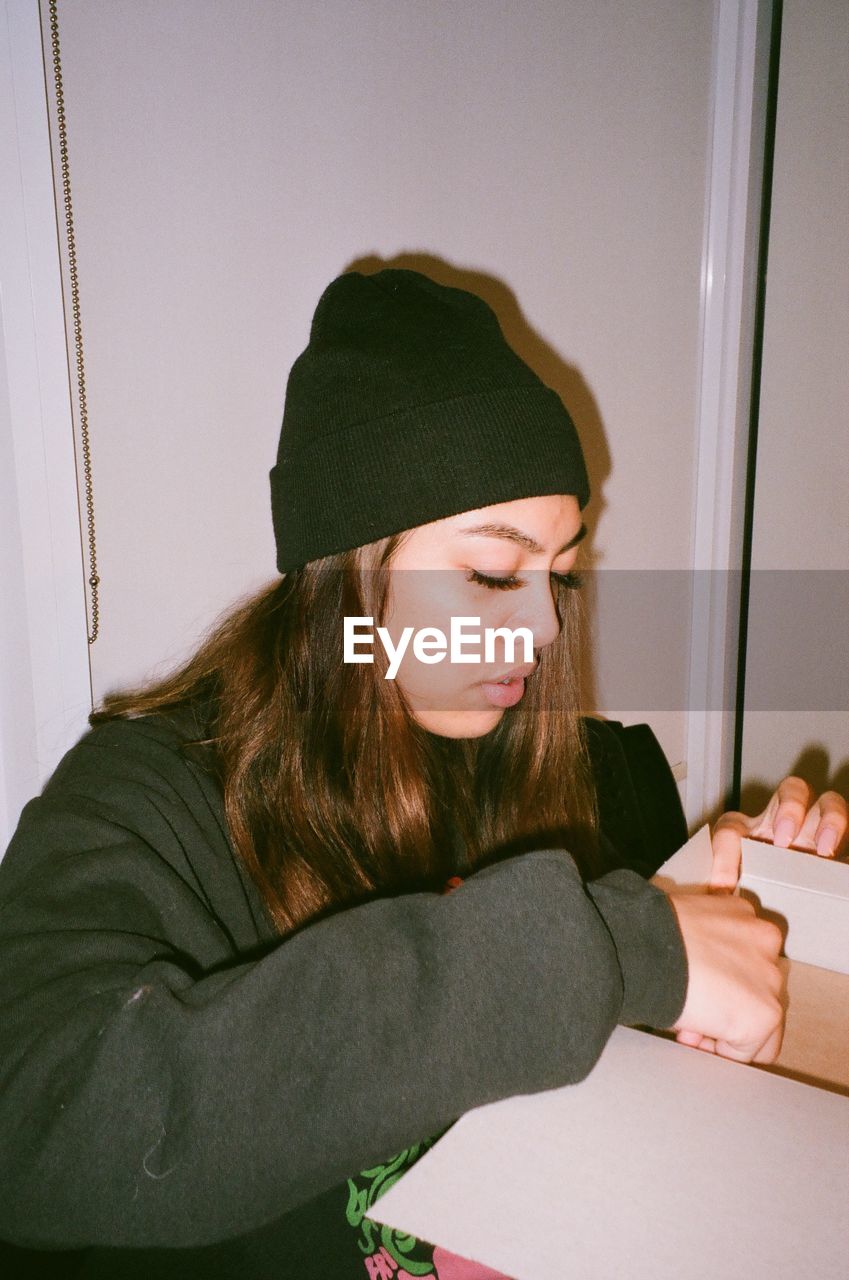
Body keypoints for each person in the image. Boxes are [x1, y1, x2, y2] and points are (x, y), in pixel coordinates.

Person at [0, 269, 845, 1279]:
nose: (543, 626)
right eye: (494, 572)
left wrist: (736, 903)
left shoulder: (596, 774)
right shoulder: (155, 804)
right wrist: (620, 947)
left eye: (561, 571)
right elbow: (36, 1124)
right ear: (350, 570)